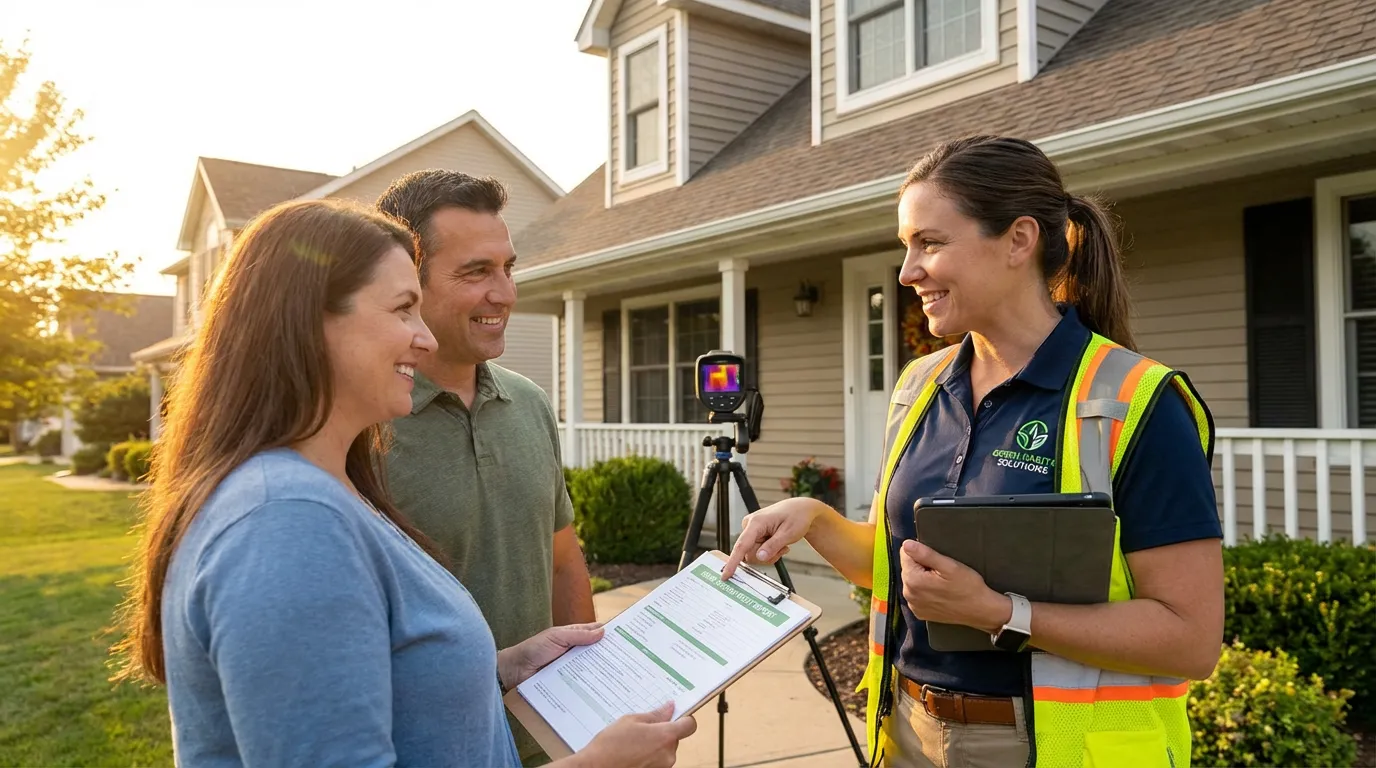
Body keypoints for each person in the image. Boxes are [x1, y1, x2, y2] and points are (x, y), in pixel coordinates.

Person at [110, 198, 695, 767]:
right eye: (402, 310)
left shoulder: (325, 491)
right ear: (311, 325)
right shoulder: (284, 522)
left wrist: (503, 667)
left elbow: (382, 676)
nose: (427, 338)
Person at [722, 136, 1224, 768]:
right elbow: (898, 570)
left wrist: (999, 613)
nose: (907, 272)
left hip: (1050, 751)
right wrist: (815, 518)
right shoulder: (919, 386)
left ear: (1018, 240)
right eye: (907, 246)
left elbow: (1191, 639)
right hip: (905, 733)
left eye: (929, 243)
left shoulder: (1136, 401)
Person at [374, 170, 594, 765]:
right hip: (428, 747)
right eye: (476, 272)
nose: (505, 293)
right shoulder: (360, 425)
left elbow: (562, 557)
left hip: (546, 738)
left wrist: (592, 708)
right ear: (407, 285)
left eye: (508, 268)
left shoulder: (529, 402)